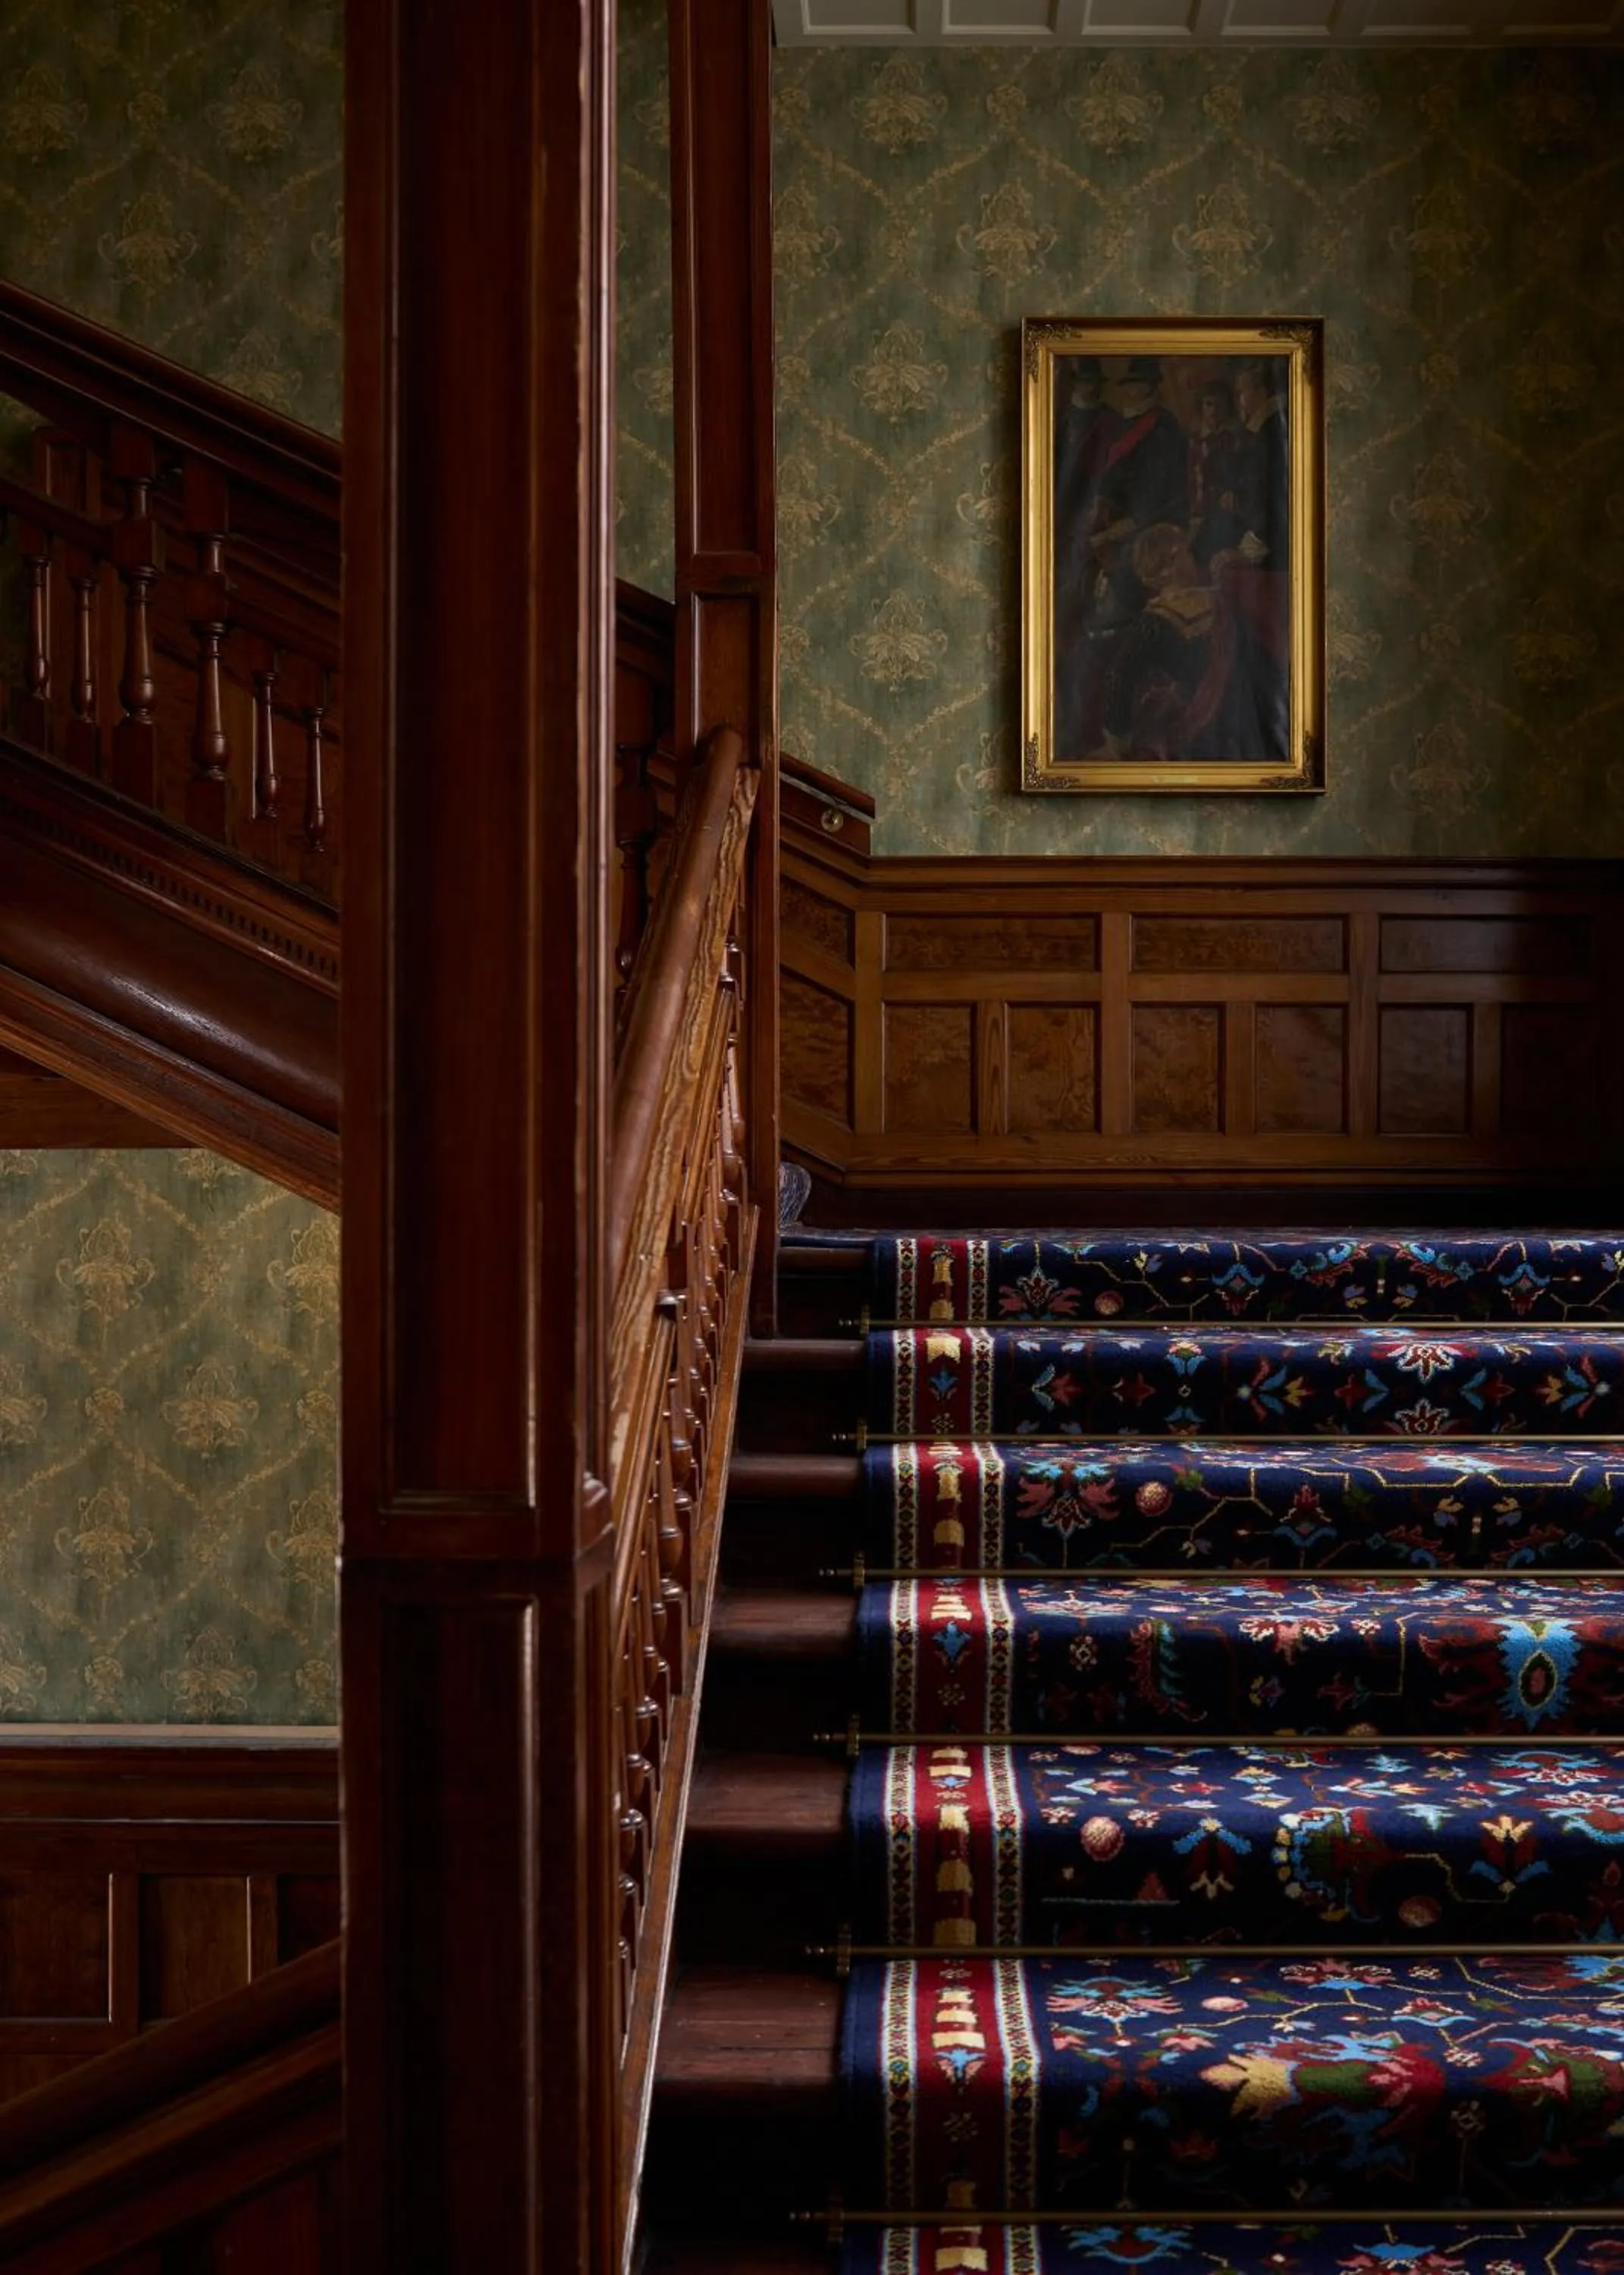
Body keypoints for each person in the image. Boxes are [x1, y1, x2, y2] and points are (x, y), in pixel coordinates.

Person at [1097, 519, 1288, 765]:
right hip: (1201, 728)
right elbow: (1119, 676)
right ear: (1163, 569)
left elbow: (1255, 656)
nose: (1191, 558)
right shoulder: (1153, 621)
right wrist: (1117, 744)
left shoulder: (1217, 600)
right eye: (1182, 554)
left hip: (1246, 718)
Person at [1231, 356, 1290, 571]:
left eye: (1241, 394)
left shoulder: (1268, 432)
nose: (1239, 403)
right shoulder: (1261, 430)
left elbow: (1271, 502)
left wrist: (1247, 546)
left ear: (1261, 393)